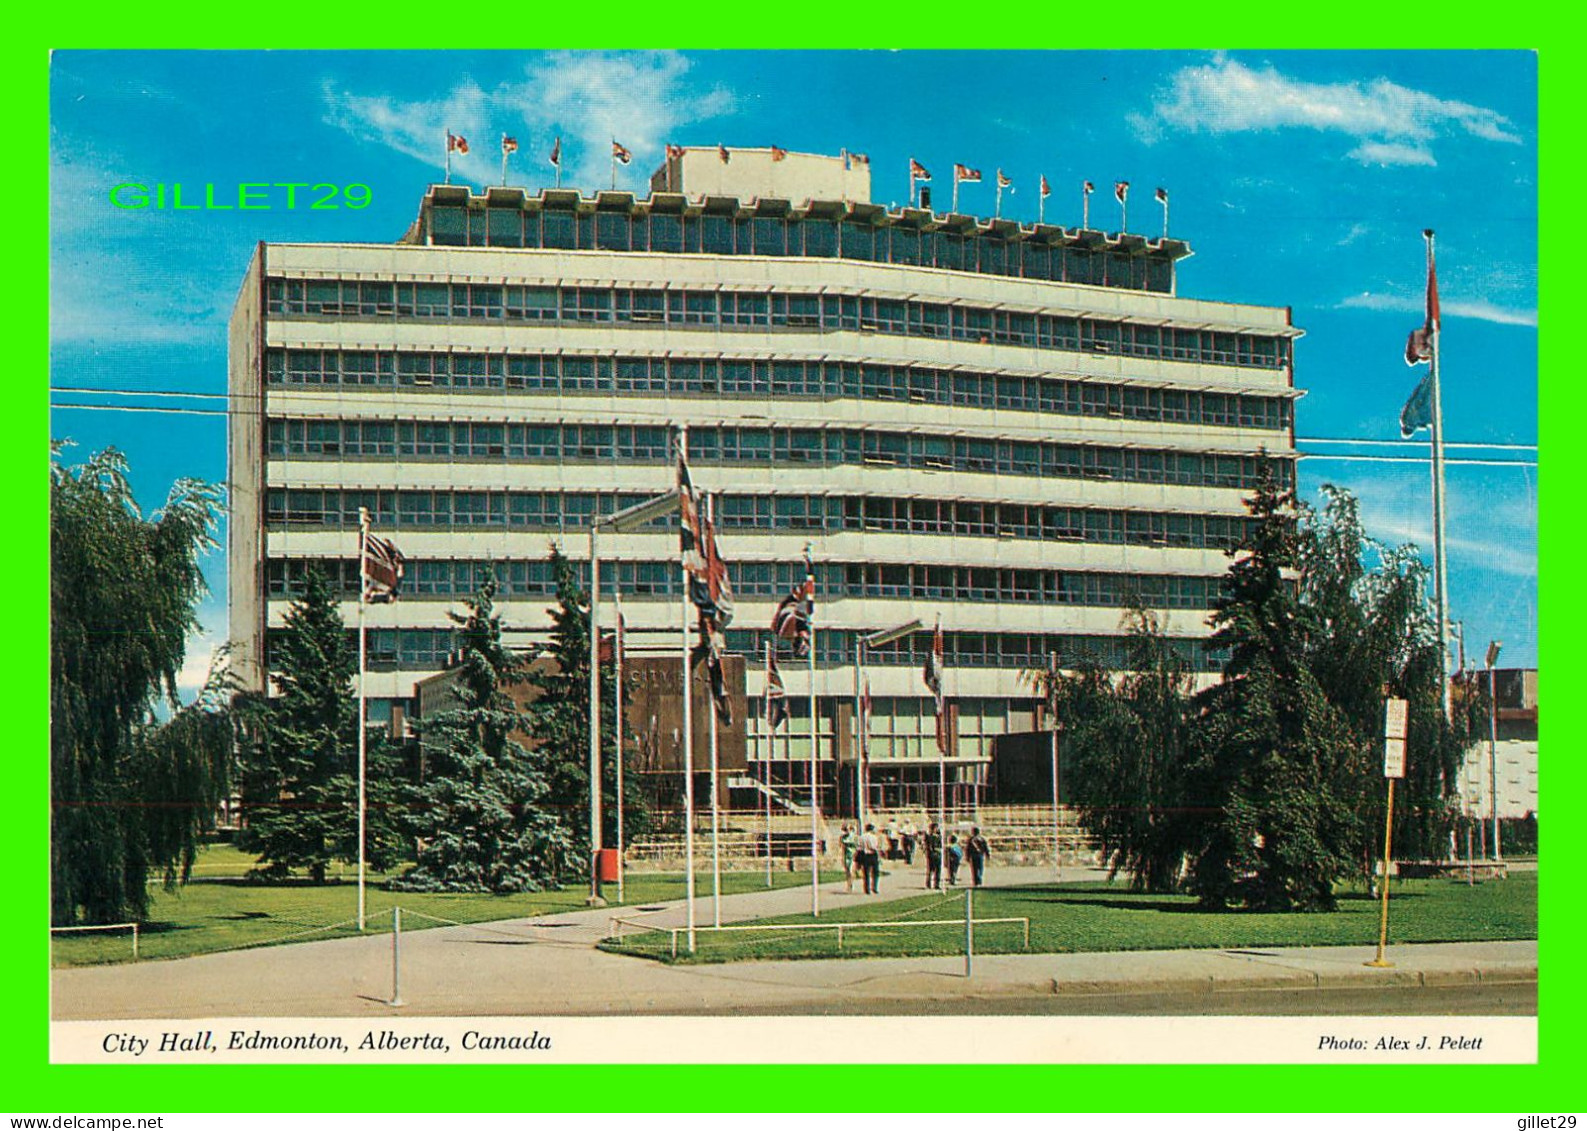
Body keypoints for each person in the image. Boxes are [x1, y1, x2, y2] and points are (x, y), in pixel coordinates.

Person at [858, 823, 882, 895]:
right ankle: (874, 887)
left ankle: (866, 888)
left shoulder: (861, 837)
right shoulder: (873, 837)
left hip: (864, 855)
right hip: (872, 854)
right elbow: (874, 847)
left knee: (866, 873)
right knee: (875, 872)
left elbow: (859, 847)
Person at [839, 824, 858, 894]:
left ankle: (851, 884)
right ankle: (848, 884)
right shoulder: (843, 837)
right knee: (847, 871)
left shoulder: (854, 836)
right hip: (846, 855)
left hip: (852, 855)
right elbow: (841, 846)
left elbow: (856, 845)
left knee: (850, 870)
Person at [922, 822, 942, 889]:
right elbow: (929, 846)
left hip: (938, 854)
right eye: (935, 828)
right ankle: (928, 884)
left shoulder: (939, 836)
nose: (936, 829)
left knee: (938, 870)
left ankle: (936, 884)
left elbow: (940, 845)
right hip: (932, 855)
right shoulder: (929, 837)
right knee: (930, 870)